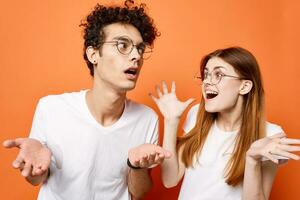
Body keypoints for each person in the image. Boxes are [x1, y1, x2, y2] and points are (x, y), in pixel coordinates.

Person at [3, 1, 171, 199]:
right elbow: (37, 179)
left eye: (140, 48)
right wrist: (35, 171)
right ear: (93, 55)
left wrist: (135, 166)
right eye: (122, 45)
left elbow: (138, 192)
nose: (136, 56)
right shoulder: (52, 108)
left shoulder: (146, 118)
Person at [150, 47, 300, 200]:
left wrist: (252, 160)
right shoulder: (196, 115)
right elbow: (170, 180)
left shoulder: (270, 135)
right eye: (206, 74)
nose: (207, 81)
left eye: (218, 75)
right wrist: (170, 122)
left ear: (244, 86)